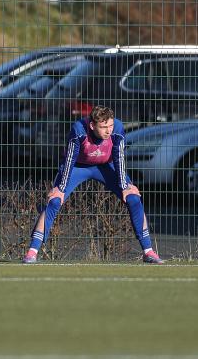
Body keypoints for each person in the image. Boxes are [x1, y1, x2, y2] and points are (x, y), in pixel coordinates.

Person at [23, 105, 162, 264]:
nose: (108, 130)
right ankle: (32, 252)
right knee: (54, 201)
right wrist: (60, 189)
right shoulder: (79, 130)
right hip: (78, 167)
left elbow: (119, 156)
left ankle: (148, 251)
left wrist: (124, 185)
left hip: (106, 166)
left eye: (110, 125)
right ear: (92, 125)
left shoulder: (117, 128)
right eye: (103, 127)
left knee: (133, 199)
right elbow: (69, 160)